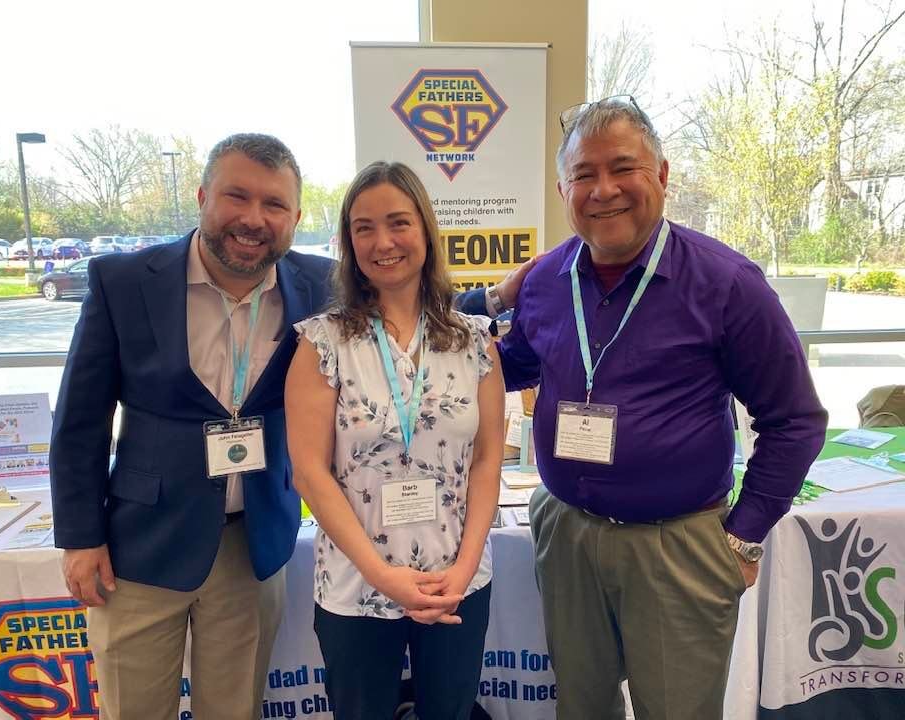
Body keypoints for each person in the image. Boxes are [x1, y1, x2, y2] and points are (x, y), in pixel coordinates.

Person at [458, 96, 828, 719]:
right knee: (583, 708)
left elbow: (794, 421)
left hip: (677, 546)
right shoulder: (548, 279)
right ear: (562, 188)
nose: (603, 190)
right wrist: (476, 313)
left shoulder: (727, 284)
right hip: (568, 533)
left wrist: (743, 538)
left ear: (660, 175)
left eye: (622, 168)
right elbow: (510, 364)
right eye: (583, 175)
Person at [49, 133, 334, 720]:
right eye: (237, 196)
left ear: (296, 217)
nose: (253, 219)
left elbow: (413, 301)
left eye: (275, 205)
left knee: (234, 710)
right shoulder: (124, 282)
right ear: (203, 196)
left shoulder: (321, 286)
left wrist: (499, 296)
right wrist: (81, 536)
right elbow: (81, 422)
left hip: (251, 544)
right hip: (139, 548)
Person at [285, 161, 505, 720]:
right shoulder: (322, 343)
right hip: (356, 586)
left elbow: (485, 462)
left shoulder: (474, 341)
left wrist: (464, 567)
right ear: (348, 241)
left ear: (426, 232)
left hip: (455, 580)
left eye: (398, 223)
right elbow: (310, 473)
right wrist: (384, 578)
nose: (382, 241)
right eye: (363, 227)